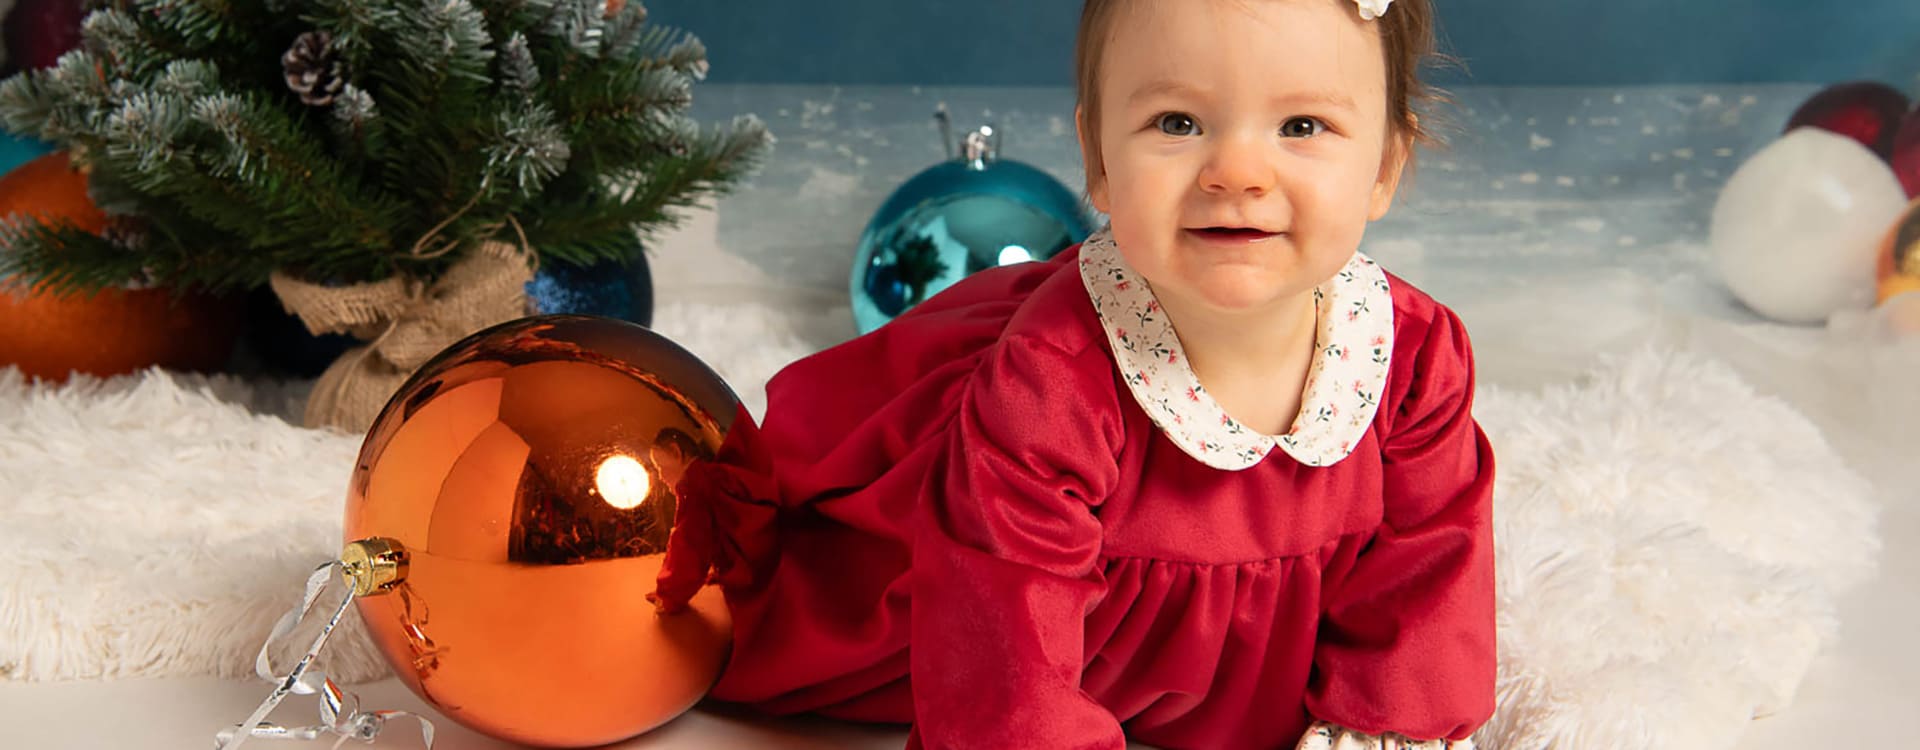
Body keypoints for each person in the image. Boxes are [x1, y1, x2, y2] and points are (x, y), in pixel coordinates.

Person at [653, 0, 1495, 747]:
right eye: (1176, 123)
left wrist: (1386, 719)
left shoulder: (1411, 356)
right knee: (772, 621)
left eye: (1302, 126)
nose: (1237, 171)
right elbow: (1004, 630)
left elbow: (1429, 567)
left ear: (1385, 165)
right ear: (1097, 156)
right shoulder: (1058, 381)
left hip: (1247, 676)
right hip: (1023, 605)